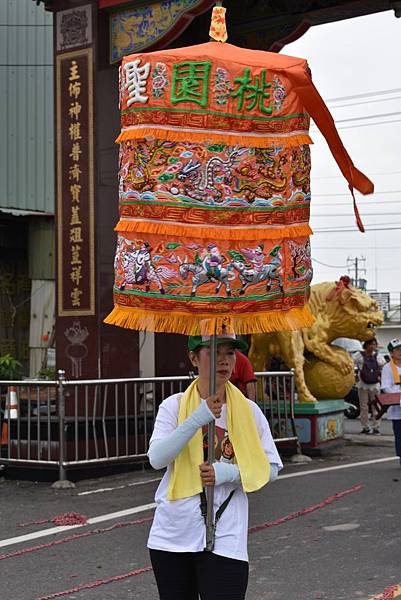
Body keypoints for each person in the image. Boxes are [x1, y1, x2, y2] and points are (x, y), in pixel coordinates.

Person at [147, 333, 283, 600]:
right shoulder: (173, 406)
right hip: (173, 532)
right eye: (213, 352)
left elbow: (271, 469)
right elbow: (157, 458)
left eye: (230, 353)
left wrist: (230, 473)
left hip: (226, 534)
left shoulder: (250, 411)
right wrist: (198, 417)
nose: (224, 360)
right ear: (193, 358)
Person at [354, 338, 385, 434]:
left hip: (369, 384)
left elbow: (352, 362)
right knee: (366, 407)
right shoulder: (377, 356)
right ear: (366, 345)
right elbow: (382, 365)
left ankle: (371, 427)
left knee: (371, 406)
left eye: (374, 344)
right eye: (371, 344)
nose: (373, 346)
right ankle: (370, 427)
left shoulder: (360, 355)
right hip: (368, 384)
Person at [381, 338, 401, 466]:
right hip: (397, 408)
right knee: (400, 435)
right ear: (391, 353)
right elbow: (385, 387)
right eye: (397, 350)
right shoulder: (387, 368)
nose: (400, 352)